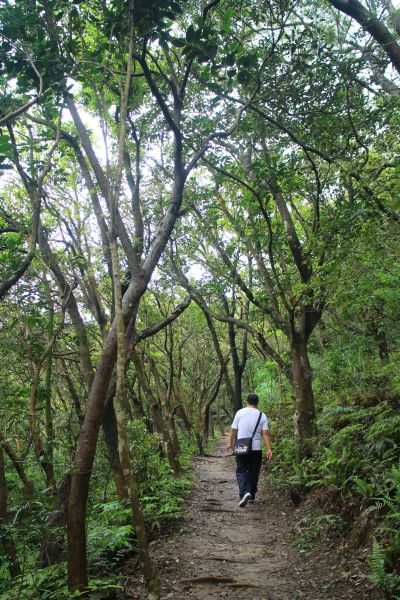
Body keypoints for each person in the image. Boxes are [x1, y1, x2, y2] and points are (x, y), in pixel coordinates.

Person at [226, 393, 273, 507]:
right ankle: (251, 494)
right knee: (254, 471)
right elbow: (265, 433)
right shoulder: (262, 415)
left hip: (241, 446)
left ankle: (244, 493)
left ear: (247, 401)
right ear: (257, 403)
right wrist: (269, 449)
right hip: (256, 448)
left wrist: (230, 443)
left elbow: (233, 430)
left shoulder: (240, 413)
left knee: (241, 470)